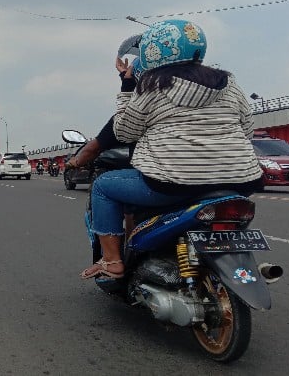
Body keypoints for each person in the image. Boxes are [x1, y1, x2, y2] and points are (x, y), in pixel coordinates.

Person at [80, 20, 263, 280]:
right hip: (241, 181)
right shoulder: (228, 83)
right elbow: (247, 128)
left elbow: (124, 132)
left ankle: (111, 261)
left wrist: (126, 88)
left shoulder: (153, 84)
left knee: (103, 186)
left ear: (153, 51)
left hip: (172, 183)